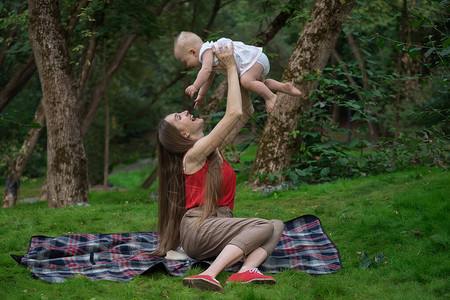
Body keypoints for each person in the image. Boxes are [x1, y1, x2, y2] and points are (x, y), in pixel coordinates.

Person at [154, 43, 284, 292]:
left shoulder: (211, 149)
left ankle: (246, 271)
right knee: (263, 226)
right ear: (183, 133)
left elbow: (244, 111)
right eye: (179, 117)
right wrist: (232, 67)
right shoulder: (192, 155)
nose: (184, 111)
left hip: (218, 227)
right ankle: (209, 274)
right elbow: (232, 113)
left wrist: (239, 69)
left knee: (276, 224)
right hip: (199, 228)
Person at [174, 31, 302, 113]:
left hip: (253, 60)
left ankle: (270, 97)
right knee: (260, 83)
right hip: (257, 61)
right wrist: (202, 95)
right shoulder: (208, 57)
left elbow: (205, 71)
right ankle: (284, 87)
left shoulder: (206, 51)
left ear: (193, 52)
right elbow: (209, 77)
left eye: (186, 62)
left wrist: (195, 86)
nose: (188, 66)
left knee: (246, 81)